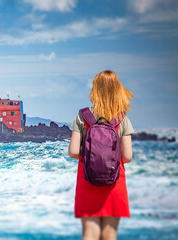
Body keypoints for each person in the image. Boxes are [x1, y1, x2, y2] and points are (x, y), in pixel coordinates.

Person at [68, 70, 134, 240]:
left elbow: (74, 151)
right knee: (109, 234)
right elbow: (127, 156)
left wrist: (92, 158)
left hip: (87, 179)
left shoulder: (83, 116)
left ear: (95, 90)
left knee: (90, 233)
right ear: (117, 90)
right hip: (114, 181)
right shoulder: (122, 118)